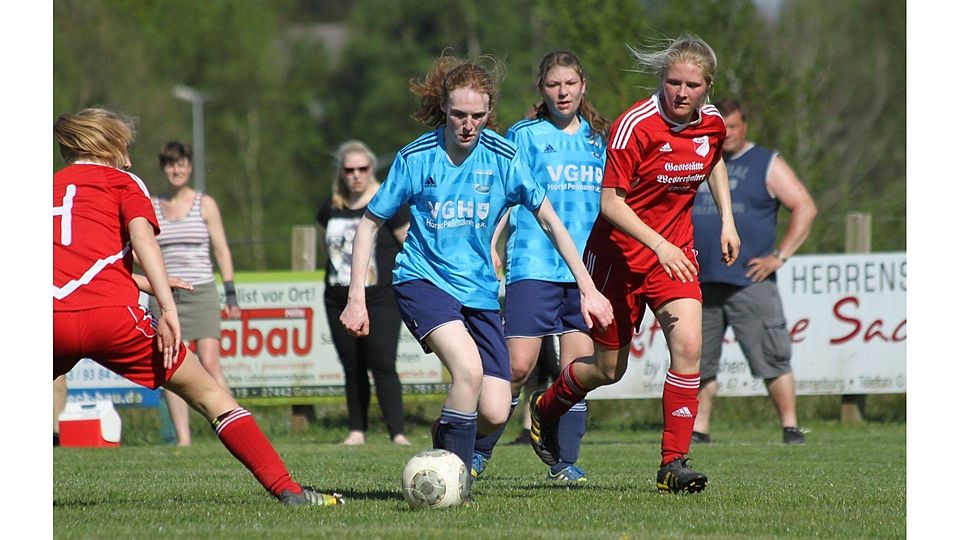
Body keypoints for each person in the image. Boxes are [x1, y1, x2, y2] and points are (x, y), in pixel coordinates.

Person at [339, 53, 614, 490]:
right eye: (459, 114)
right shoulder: (416, 158)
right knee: (467, 370)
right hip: (422, 280)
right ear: (445, 110)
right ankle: (454, 482)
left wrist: (588, 287)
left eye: (477, 116)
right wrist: (357, 296)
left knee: (494, 410)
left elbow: (550, 221)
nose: (467, 125)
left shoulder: (504, 157)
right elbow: (370, 223)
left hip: (480, 292)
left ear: (490, 113)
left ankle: (446, 437)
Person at [53, 107, 342, 506]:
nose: (130, 159)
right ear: (108, 144)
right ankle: (289, 491)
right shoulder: (122, 182)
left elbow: (74, 269)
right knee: (212, 395)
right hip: (114, 318)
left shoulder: (47, 189)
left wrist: (142, 281)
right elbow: (144, 242)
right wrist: (166, 307)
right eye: (125, 147)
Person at [527, 34, 741, 494]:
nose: (681, 93)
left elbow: (714, 159)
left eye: (692, 85)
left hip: (674, 257)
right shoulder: (635, 126)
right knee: (608, 369)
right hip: (616, 258)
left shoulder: (713, 123)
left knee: (687, 348)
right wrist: (659, 244)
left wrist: (726, 218)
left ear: (707, 87)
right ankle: (547, 405)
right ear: (662, 80)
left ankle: (672, 464)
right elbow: (610, 204)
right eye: (673, 82)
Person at [471, 50, 610, 483]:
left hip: (585, 271)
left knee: (578, 370)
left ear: (583, 86)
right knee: (516, 366)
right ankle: (477, 450)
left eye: (570, 83)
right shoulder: (524, 135)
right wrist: (492, 242)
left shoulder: (599, 137)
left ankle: (563, 460)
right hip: (534, 262)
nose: (562, 92)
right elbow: (501, 193)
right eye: (553, 84)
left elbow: (615, 202)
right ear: (542, 90)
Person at [691, 97, 817, 445]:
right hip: (699, 279)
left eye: (733, 126)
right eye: (721, 126)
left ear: (744, 126)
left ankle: (790, 427)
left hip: (750, 279)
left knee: (772, 357)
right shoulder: (694, 156)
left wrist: (779, 255)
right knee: (698, 361)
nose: (727, 133)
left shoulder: (765, 162)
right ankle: (699, 429)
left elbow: (804, 206)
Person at [316, 140, 411, 446]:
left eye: (362, 168)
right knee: (352, 365)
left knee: (382, 363)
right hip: (337, 297)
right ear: (341, 173)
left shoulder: (388, 203)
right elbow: (326, 249)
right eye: (349, 169)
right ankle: (357, 431)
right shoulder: (330, 207)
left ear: (372, 169)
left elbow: (408, 245)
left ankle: (397, 432)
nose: (356, 175)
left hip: (380, 297)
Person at [149, 141, 241, 446]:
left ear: (190, 167)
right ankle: (184, 440)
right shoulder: (151, 205)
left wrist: (230, 294)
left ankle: (235, 430)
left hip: (201, 290)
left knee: (210, 364)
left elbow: (221, 251)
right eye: (171, 164)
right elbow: (139, 248)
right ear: (164, 168)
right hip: (166, 294)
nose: (177, 170)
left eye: (182, 164)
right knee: (172, 366)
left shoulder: (205, 204)